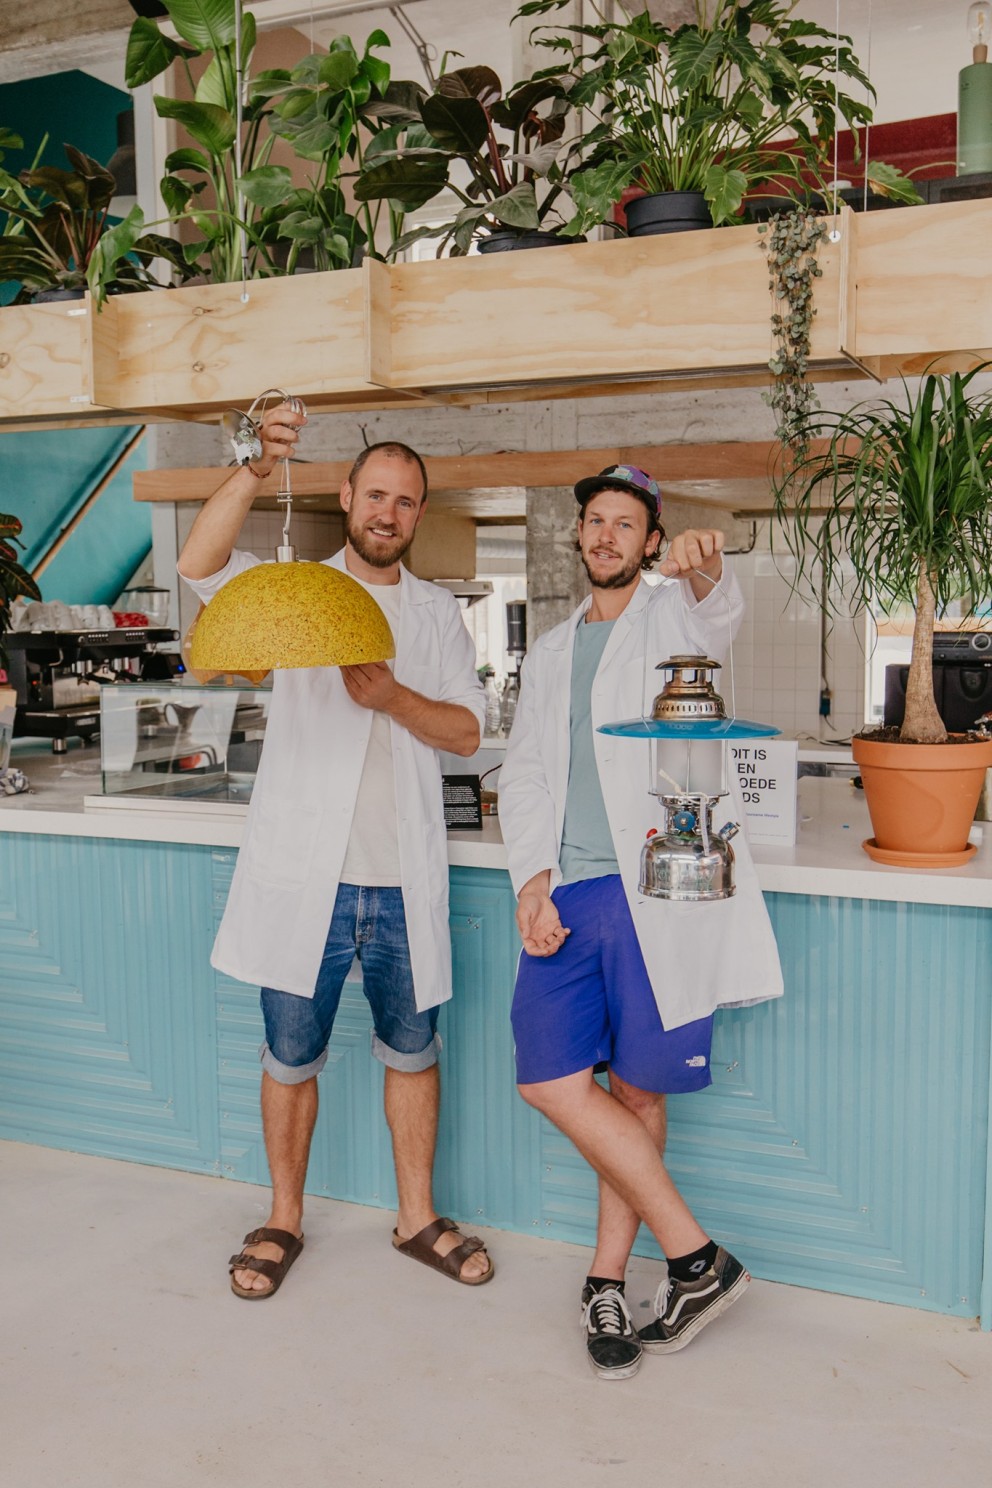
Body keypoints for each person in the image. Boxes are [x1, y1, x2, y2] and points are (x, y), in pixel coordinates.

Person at [178, 405, 493, 1297]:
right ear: (346, 496)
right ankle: (283, 1219)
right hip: (305, 881)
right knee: (290, 1056)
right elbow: (198, 568)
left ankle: (417, 1218)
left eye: (407, 501)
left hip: (402, 883)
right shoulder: (295, 594)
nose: (388, 513)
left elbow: (467, 732)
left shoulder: (435, 617)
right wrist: (250, 463)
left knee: (413, 1051)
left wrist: (393, 698)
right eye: (376, 495)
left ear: (418, 515)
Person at [498, 464, 783, 1379]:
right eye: (596, 522)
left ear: (651, 540)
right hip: (569, 895)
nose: (608, 535)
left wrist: (706, 567)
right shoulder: (549, 651)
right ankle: (697, 1257)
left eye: (627, 524)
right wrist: (530, 885)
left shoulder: (672, 613)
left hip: (658, 891)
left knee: (639, 1096)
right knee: (548, 1078)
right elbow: (529, 773)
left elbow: (718, 611)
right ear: (579, 537)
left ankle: (607, 1283)